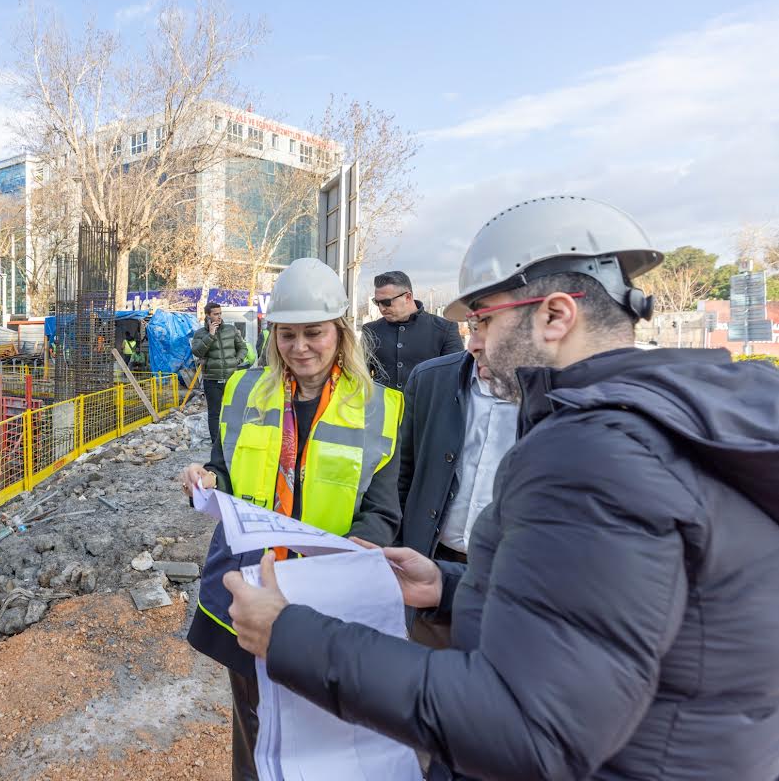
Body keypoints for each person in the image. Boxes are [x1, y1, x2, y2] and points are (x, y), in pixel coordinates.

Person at [224, 197, 779, 780]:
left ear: (556, 315)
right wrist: (451, 587)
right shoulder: (668, 421)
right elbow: (605, 616)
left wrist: (290, 636)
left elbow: (527, 728)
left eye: (484, 319)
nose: (473, 343)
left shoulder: (598, 451)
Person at [179, 258, 404, 781]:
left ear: (339, 333)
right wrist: (207, 478)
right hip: (249, 589)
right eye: (288, 334)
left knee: (319, 736)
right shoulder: (242, 393)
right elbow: (227, 472)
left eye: (314, 333)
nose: (300, 347)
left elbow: (383, 511)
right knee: (252, 727)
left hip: (323, 598)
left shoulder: (380, 408)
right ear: (272, 335)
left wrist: (356, 554)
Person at [396, 323, 517, 648]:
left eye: (493, 328)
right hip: (431, 564)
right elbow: (402, 473)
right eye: (475, 326)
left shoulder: (555, 399)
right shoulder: (431, 381)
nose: (475, 342)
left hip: (509, 576)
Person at [363, 270, 463, 390]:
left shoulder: (445, 329)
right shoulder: (370, 331)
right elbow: (360, 377)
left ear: (408, 297)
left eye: (386, 302)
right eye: (377, 302)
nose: (381, 308)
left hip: (427, 408)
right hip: (382, 408)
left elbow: (456, 378)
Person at [190, 301, 248, 466]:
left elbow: (242, 348)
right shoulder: (200, 333)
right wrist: (211, 334)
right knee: (214, 413)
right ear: (208, 315)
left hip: (231, 378)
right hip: (212, 379)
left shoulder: (230, 330)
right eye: (215, 314)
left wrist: (236, 361)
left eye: (220, 313)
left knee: (235, 411)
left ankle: (236, 440)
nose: (219, 317)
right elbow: (197, 351)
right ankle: (217, 446)